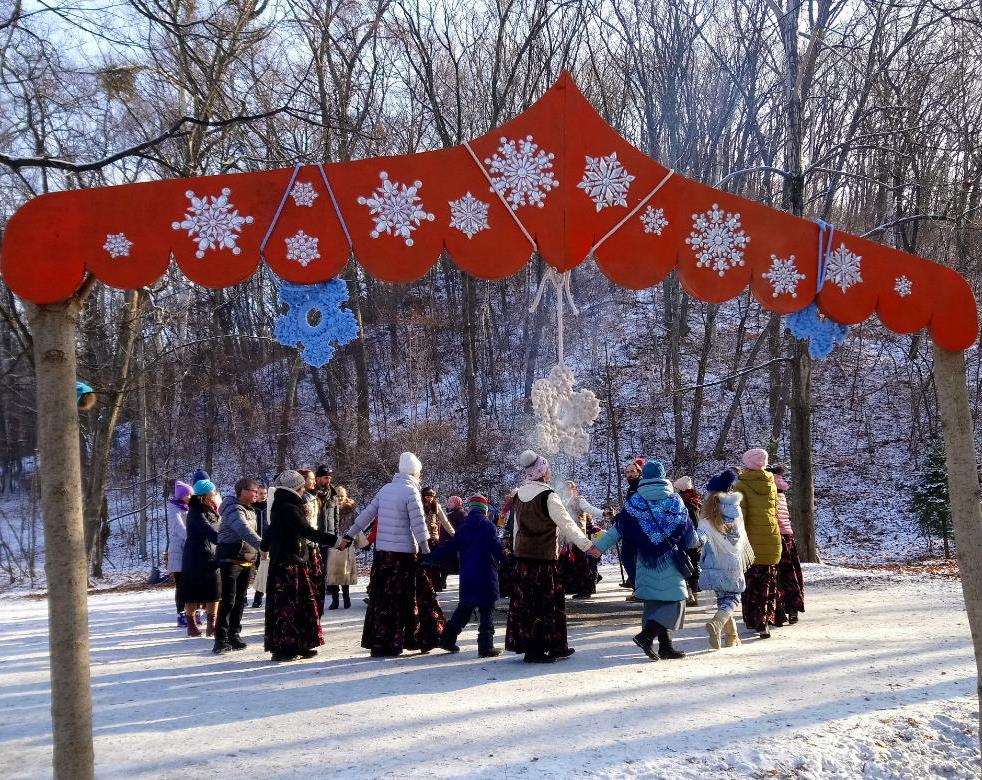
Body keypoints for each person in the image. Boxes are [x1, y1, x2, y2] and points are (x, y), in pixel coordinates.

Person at [338, 452, 445, 657]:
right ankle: (413, 638)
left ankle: (382, 642)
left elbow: (366, 515)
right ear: (415, 472)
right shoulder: (411, 492)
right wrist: (426, 550)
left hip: (383, 555)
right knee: (409, 598)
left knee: (383, 600)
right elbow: (419, 525)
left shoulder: (386, 489)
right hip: (404, 556)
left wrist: (349, 535)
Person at [592, 461, 698, 661]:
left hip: (645, 561)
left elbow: (618, 529)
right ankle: (646, 637)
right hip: (670, 561)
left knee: (653, 605)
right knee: (676, 602)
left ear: (644, 477)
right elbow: (690, 536)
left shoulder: (635, 502)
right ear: (664, 476)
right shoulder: (675, 501)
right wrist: (703, 538)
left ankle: (665, 647)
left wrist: (598, 548)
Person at [505, 450, 601, 664]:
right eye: (547, 468)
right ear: (541, 471)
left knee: (527, 604)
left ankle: (545, 646)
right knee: (546, 605)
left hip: (523, 559)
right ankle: (542, 649)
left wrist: (514, 550)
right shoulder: (549, 496)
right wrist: (587, 546)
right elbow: (568, 525)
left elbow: (516, 527)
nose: (550, 471)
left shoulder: (519, 494)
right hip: (544, 559)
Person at [260, 471, 338, 662]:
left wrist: (264, 546)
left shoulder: (282, 505)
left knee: (299, 605)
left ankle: (301, 644)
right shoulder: (289, 507)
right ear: (296, 487)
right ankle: (284, 648)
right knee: (289, 607)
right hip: (290, 563)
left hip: (291, 561)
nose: (304, 489)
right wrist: (334, 540)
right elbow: (306, 530)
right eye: (302, 486)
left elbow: (271, 530)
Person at [437, 495, 505, 657]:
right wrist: (508, 560)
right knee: (486, 609)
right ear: (484, 509)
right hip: (486, 573)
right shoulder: (488, 525)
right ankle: (486, 646)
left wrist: (431, 556)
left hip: (467, 573)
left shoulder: (463, 527)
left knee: (464, 608)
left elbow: (451, 547)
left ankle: (447, 639)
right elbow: (496, 547)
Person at [699, 469, 754, 649]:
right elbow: (739, 538)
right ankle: (716, 624)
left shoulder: (707, 516)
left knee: (723, 599)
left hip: (712, 564)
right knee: (732, 598)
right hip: (732, 563)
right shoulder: (735, 511)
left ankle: (731, 637)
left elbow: (701, 538)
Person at [734, 448, 782, 638]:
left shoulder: (740, 485)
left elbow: (740, 518)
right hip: (771, 537)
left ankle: (752, 619)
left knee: (750, 583)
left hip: (750, 542)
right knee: (767, 582)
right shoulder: (771, 483)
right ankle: (765, 620)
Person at [213, 478, 264, 654]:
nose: (257, 494)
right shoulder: (234, 509)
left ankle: (234, 635)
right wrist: (263, 545)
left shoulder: (251, 509)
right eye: (254, 491)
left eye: (258, 491)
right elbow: (244, 530)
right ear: (242, 491)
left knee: (241, 600)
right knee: (229, 599)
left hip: (246, 559)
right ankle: (221, 639)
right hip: (231, 559)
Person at [181, 480, 222, 638]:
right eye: (213, 490)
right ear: (205, 494)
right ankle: (191, 625)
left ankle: (211, 625)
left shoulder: (211, 507)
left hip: (212, 554)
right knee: (192, 592)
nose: (215, 492)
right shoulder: (195, 511)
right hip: (195, 556)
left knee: (215, 590)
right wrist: (225, 539)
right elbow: (209, 531)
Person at [768, 464, 805, 626]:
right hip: (788, 536)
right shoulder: (782, 492)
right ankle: (793, 611)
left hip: (774, 536)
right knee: (791, 575)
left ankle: (779, 613)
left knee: (776, 576)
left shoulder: (768, 490)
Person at [561, 480, 605, 599]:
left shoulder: (579, 500)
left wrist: (603, 513)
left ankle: (587, 589)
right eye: (565, 488)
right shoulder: (562, 503)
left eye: (569, 488)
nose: (567, 490)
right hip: (568, 539)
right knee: (567, 564)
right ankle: (574, 587)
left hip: (579, 537)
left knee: (582, 564)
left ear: (575, 489)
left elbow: (590, 509)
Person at [325, 485, 364, 610]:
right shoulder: (329, 508)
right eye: (338, 495)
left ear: (346, 496)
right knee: (333, 572)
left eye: (342, 496)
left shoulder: (351, 510)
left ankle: (346, 598)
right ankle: (335, 599)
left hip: (347, 542)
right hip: (333, 542)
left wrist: (355, 538)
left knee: (345, 572)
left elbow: (359, 524)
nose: (340, 498)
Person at [298, 468, 326, 614]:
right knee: (309, 584)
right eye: (311, 478)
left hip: (315, 544)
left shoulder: (315, 497)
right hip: (305, 546)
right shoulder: (300, 499)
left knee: (319, 582)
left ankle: (315, 615)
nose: (314, 481)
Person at [674, 476, 704, 606]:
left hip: (686, 538)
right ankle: (695, 595)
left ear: (680, 489)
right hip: (697, 538)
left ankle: (690, 595)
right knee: (695, 565)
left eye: (676, 488)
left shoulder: (683, 503)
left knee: (685, 565)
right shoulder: (696, 501)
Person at [620, 457, 645, 599]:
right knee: (630, 558)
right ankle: (638, 588)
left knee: (630, 557)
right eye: (627, 472)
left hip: (639, 529)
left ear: (639, 472)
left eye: (632, 471)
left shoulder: (640, 486)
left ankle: (639, 589)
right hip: (632, 528)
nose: (630, 474)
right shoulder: (632, 487)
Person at [421, 487, 455, 592]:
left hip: (433, 538)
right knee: (424, 564)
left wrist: (453, 534)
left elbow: (445, 522)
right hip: (422, 538)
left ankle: (436, 585)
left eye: (431, 497)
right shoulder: (419, 506)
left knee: (435, 564)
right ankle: (424, 586)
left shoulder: (436, 506)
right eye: (427, 496)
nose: (429, 499)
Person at [251, 485, 269, 608]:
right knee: (257, 570)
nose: (262, 496)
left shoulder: (270, 507)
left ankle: (258, 596)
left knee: (264, 570)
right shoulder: (252, 508)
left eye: (264, 493)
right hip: (254, 543)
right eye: (260, 493)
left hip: (267, 543)